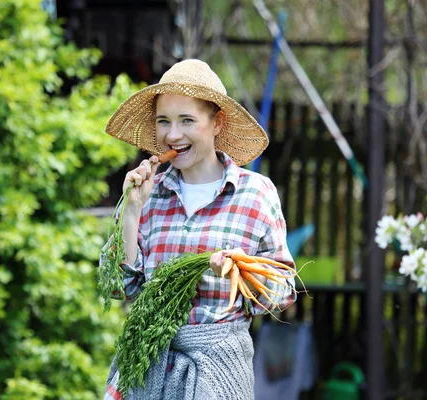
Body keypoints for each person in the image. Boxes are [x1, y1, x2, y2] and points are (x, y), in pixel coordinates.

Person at [101, 59, 297, 400]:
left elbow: (283, 292)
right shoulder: (148, 195)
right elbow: (120, 288)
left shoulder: (255, 194)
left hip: (219, 375)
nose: (172, 135)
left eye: (186, 120)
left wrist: (238, 272)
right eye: (164, 121)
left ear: (216, 122)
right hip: (149, 369)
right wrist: (131, 211)